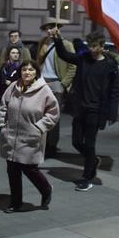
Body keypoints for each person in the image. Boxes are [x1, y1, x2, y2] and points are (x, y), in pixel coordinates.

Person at [52, 30, 119, 192]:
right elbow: (65, 55)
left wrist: (112, 113)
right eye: (89, 45)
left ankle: (87, 177)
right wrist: (57, 38)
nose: (90, 49)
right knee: (76, 141)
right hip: (80, 108)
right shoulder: (83, 59)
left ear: (102, 47)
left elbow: (114, 91)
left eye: (94, 46)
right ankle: (93, 160)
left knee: (89, 144)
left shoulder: (110, 65)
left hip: (96, 111)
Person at [0, 61, 58, 212]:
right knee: (12, 170)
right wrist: (2, 125)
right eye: (24, 69)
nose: (27, 72)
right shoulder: (13, 87)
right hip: (11, 137)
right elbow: (4, 105)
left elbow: (53, 113)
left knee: (30, 169)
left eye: (31, 70)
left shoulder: (44, 91)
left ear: (36, 72)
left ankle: (46, 190)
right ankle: (15, 202)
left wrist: (39, 128)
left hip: (30, 137)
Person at [35, 18, 77, 157]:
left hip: (56, 83)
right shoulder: (43, 43)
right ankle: (41, 143)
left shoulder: (66, 44)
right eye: (46, 28)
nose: (48, 30)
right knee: (40, 115)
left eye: (51, 27)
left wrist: (64, 83)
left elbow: (73, 65)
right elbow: (38, 62)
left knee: (53, 117)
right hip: (42, 82)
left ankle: (51, 146)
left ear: (57, 29)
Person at [0, 45, 23, 150]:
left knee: (13, 120)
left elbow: (23, 81)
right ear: (9, 55)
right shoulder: (4, 66)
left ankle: (13, 143)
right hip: (2, 97)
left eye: (17, 53)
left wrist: (12, 83)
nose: (15, 55)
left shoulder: (21, 67)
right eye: (13, 53)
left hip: (15, 97)